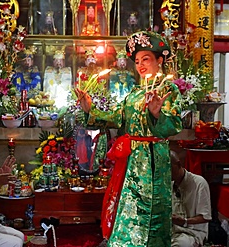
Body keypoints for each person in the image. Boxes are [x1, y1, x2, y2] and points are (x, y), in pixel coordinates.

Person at [75, 31, 183, 246]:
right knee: (127, 207)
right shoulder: (133, 93)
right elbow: (116, 117)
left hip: (153, 159)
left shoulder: (168, 89)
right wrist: (90, 109)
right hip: (131, 159)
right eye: (137, 61)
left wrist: (156, 114)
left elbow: (174, 126)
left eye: (146, 59)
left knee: (151, 211)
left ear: (159, 60)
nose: (140, 65)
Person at [171, 150, 212, 247]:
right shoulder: (168, 183)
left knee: (180, 245)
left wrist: (184, 221)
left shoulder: (199, 183)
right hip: (172, 231)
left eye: (169, 169)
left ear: (179, 164)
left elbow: (205, 217)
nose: (166, 173)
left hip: (193, 232)